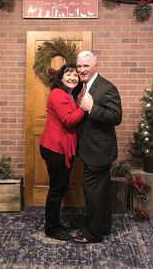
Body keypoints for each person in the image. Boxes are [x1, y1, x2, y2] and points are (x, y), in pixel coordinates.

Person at [73, 51, 122, 244]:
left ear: (95, 66)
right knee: (100, 192)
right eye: (79, 66)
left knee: (92, 192)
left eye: (86, 66)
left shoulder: (107, 87)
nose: (82, 70)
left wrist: (93, 108)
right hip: (89, 150)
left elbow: (116, 117)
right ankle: (103, 226)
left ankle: (91, 233)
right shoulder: (82, 87)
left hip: (99, 152)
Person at [39, 63, 87, 241]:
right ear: (60, 78)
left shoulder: (68, 94)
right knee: (57, 189)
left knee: (59, 188)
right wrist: (84, 106)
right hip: (55, 148)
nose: (73, 77)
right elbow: (68, 120)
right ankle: (52, 228)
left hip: (58, 147)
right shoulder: (58, 94)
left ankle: (55, 223)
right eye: (68, 74)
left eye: (75, 75)